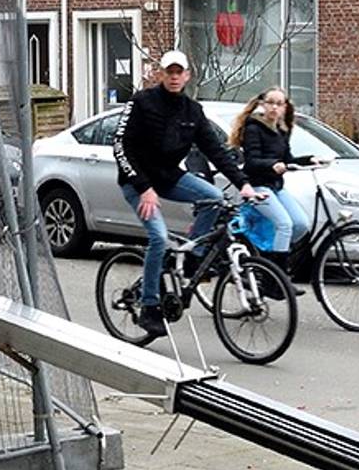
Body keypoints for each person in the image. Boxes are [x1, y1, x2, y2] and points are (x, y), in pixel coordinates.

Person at [114, 49, 257, 337]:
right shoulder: (142, 102)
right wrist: (143, 188)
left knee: (214, 199)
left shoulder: (192, 111)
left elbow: (215, 150)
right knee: (158, 237)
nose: (174, 77)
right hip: (137, 182)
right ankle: (149, 306)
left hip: (169, 177)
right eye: (170, 72)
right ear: (161, 74)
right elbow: (120, 147)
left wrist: (243, 183)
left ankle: (193, 258)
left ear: (187, 76)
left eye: (179, 72)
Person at [228, 87, 315, 283]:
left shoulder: (281, 131)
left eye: (279, 104)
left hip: (276, 186)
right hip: (257, 186)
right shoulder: (253, 128)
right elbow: (252, 161)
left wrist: (309, 160)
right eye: (270, 103)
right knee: (284, 224)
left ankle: (270, 260)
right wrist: (272, 165)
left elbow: (288, 159)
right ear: (262, 105)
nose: (274, 108)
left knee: (300, 224)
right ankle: (275, 279)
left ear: (285, 107)